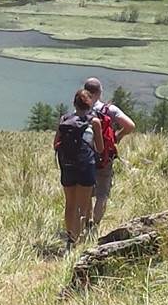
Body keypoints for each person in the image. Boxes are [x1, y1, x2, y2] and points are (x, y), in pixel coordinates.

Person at [83, 76, 135, 227]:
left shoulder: (80, 109)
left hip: (85, 156)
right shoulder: (109, 109)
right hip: (104, 156)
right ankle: (95, 225)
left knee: (86, 190)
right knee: (102, 194)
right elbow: (130, 125)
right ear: (100, 92)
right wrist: (118, 136)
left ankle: (85, 222)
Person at [53, 87, 101, 247]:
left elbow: (55, 144)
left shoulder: (64, 119)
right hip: (85, 167)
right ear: (90, 105)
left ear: (74, 103)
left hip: (67, 166)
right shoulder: (94, 122)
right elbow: (100, 148)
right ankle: (78, 242)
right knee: (82, 205)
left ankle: (70, 238)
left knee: (70, 204)